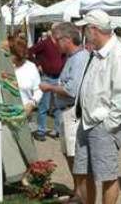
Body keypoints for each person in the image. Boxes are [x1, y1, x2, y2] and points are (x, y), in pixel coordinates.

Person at [73, 10, 121, 204]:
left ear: (94, 29)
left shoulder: (118, 54)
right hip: (87, 121)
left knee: (107, 176)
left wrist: (109, 125)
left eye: (85, 28)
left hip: (102, 123)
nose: (83, 32)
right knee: (84, 173)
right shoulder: (97, 53)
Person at [38, 22, 90, 202]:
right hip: (65, 112)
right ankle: (78, 192)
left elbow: (72, 90)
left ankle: (82, 195)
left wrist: (50, 87)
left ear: (67, 39)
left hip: (72, 112)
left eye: (57, 40)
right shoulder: (72, 57)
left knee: (76, 156)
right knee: (69, 154)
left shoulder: (80, 58)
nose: (55, 44)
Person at [29, 25, 66, 141]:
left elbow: (65, 56)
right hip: (46, 77)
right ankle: (41, 130)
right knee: (43, 105)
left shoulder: (62, 43)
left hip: (59, 78)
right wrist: (37, 63)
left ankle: (57, 130)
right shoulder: (45, 43)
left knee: (58, 106)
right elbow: (30, 51)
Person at [10, 35, 43, 127]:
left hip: (25, 116)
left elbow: (38, 89)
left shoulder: (31, 67)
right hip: (3, 115)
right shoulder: (2, 66)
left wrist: (32, 103)